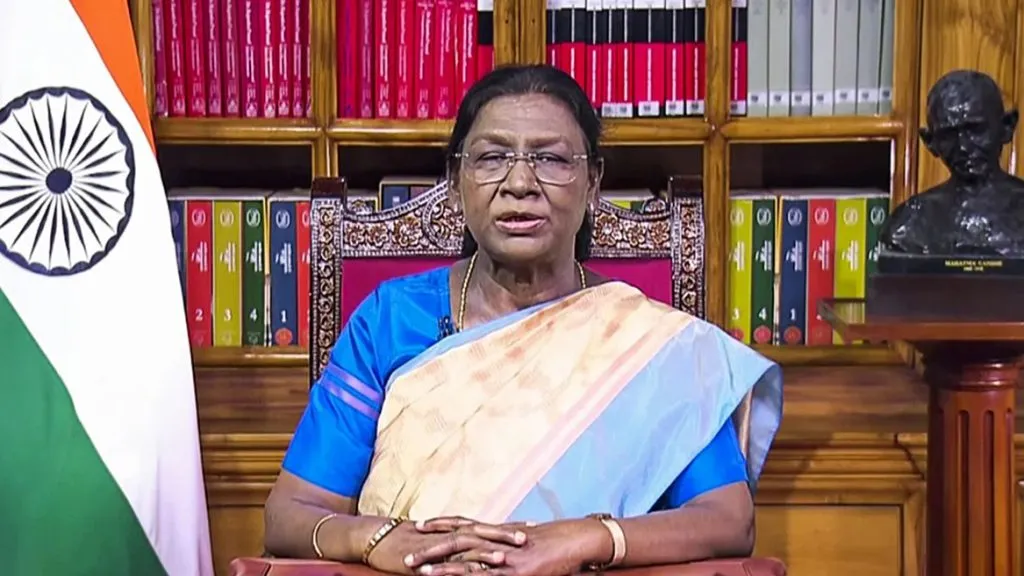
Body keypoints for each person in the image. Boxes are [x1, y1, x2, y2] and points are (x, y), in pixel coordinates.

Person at [264, 64, 783, 576]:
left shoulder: (647, 343)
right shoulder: (389, 320)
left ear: (593, 182)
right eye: (491, 157)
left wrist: (586, 539)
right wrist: (377, 539)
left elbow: (727, 519)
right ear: (455, 182)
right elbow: (290, 514)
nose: (519, 183)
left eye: (551, 158)